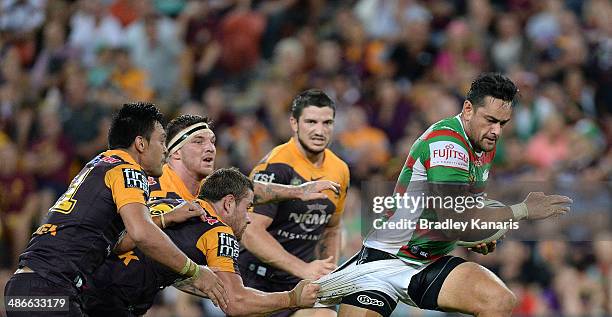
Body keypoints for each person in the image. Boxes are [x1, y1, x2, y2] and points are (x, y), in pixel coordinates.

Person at [316, 73, 573, 317]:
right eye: (490, 120)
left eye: (502, 123)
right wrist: (523, 210)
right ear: (468, 110)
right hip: (387, 259)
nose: (496, 131)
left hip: (428, 261)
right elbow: (453, 218)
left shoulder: (483, 143)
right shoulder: (447, 145)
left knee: (499, 300)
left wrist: (479, 234)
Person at [3, 103, 227, 316]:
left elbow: (115, 243)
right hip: (50, 289)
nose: (165, 150)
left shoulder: (98, 165)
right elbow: (141, 233)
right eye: (161, 141)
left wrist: (164, 219)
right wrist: (194, 271)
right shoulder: (129, 170)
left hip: (25, 290)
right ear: (141, 144)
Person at [240, 89, 350, 317]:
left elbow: (332, 228)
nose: (320, 131)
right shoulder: (277, 165)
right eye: (311, 121)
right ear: (294, 123)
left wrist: (329, 271)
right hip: (258, 283)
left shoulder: (339, 170)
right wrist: (304, 268)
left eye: (327, 122)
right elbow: (250, 232)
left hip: (301, 284)